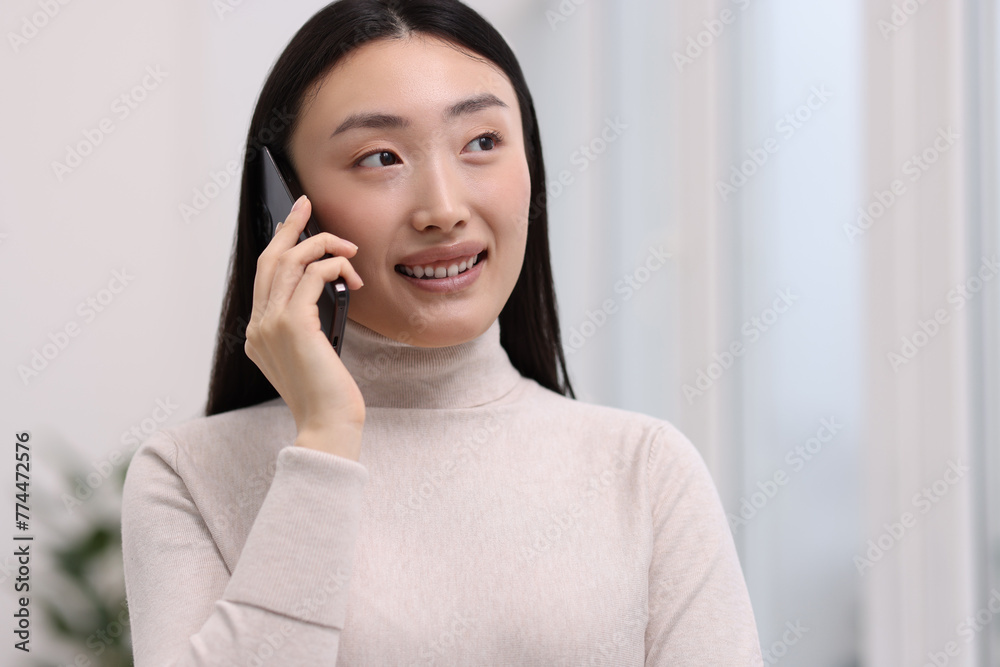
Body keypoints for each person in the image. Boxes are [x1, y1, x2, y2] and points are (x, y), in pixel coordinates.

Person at [121, 0, 763, 664]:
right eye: (380, 157)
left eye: (482, 143)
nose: (444, 209)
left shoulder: (647, 472)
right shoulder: (187, 476)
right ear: (285, 203)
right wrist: (326, 438)